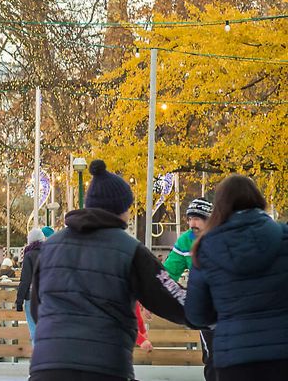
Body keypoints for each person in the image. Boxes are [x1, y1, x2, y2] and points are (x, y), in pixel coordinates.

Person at [30, 159, 189, 381]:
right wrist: (213, 308)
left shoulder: (50, 248)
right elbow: (171, 297)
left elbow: (38, 307)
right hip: (103, 367)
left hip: (47, 366)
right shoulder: (129, 250)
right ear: (122, 209)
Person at [185, 175, 288, 381]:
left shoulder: (206, 247)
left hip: (233, 356)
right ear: (258, 199)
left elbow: (196, 314)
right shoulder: (283, 237)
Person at [165, 197, 217, 381]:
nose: (192, 223)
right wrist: (151, 299)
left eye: (198, 218)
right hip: (206, 310)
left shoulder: (221, 235)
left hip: (229, 305)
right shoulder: (186, 240)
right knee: (212, 357)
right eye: (190, 218)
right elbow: (169, 273)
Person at [15, 227, 47, 344]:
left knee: (34, 330)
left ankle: (37, 358)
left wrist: (19, 300)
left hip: (32, 297)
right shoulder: (49, 252)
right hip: (47, 296)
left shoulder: (29, 255)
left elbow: (25, 280)